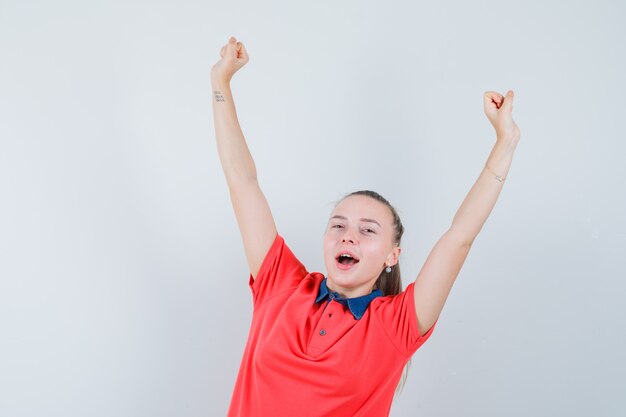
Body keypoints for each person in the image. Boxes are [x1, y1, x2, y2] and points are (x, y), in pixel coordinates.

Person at [210, 35, 521, 417]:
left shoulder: (395, 325)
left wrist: (505, 142)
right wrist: (221, 84)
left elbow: (460, 237)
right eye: (338, 225)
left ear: (393, 255)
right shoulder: (281, 286)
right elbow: (242, 181)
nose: (348, 235)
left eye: (368, 230)